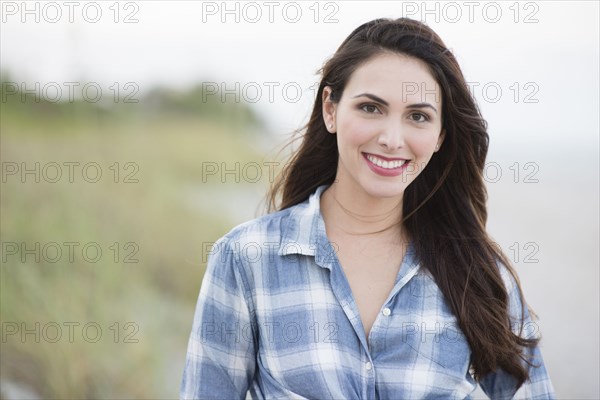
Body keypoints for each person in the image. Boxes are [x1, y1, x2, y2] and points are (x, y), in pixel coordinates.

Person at [180, 17, 555, 399]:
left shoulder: (480, 274)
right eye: (371, 108)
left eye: (418, 116)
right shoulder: (246, 259)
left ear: (440, 135)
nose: (392, 139)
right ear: (331, 109)